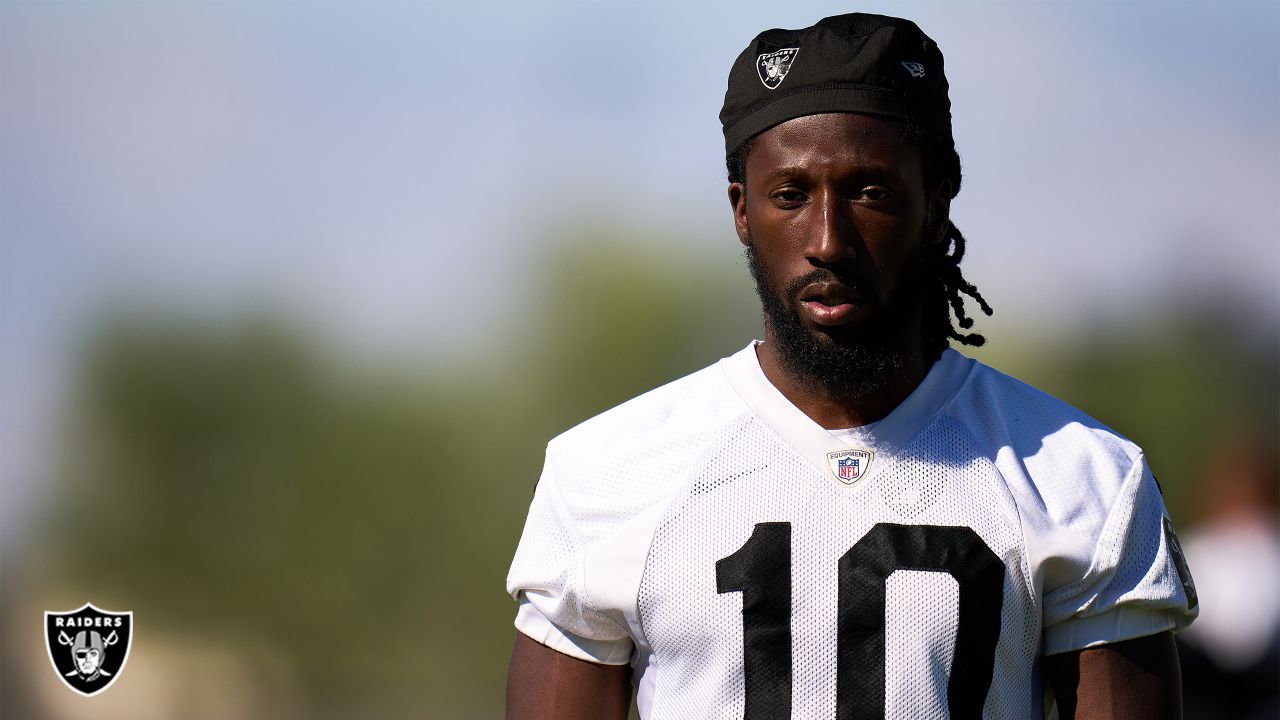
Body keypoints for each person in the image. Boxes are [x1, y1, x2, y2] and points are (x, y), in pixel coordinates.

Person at [505, 13, 1197, 720]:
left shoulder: (1081, 479)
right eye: (791, 195)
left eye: (869, 192)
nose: (829, 241)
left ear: (936, 199)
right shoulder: (607, 472)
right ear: (742, 210)